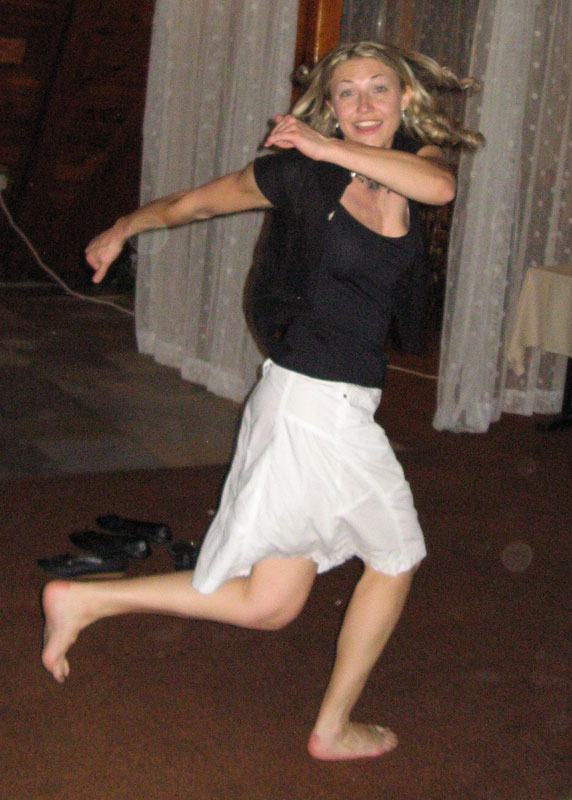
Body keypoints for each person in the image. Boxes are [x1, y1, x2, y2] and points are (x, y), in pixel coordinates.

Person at [41, 40, 483, 761]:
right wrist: (123, 228)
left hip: (323, 401)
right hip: (312, 402)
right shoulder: (297, 174)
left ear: (405, 98)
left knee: (269, 604)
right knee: (398, 554)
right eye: (347, 92)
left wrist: (327, 146)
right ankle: (332, 728)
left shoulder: (415, 164)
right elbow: (193, 204)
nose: (365, 104)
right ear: (328, 105)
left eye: (379, 88)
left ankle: (86, 598)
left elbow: (439, 189)